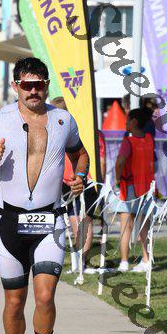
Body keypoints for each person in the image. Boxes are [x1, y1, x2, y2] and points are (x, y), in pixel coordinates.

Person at [0, 57, 89, 334]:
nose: (33, 91)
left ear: (47, 86)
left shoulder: (63, 119)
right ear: (16, 86)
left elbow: (81, 154)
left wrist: (80, 177)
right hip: (10, 221)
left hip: (50, 220)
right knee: (14, 301)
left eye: (39, 85)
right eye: (27, 85)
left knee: (46, 296)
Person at [52, 96, 106, 273]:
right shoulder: (93, 132)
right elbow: (102, 160)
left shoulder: (63, 130)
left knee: (79, 221)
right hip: (76, 180)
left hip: (78, 180)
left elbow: (101, 159)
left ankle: (81, 262)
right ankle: (80, 262)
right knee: (81, 221)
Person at [113, 108, 155, 273]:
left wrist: (117, 178)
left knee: (126, 224)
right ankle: (146, 259)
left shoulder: (128, 141)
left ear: (134, 122)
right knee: (145, 224)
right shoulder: (149, 139)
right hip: (146, 186)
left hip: (130, 185)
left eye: (127, 120)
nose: (125, 123)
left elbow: (120, 161)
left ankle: (124, 261)